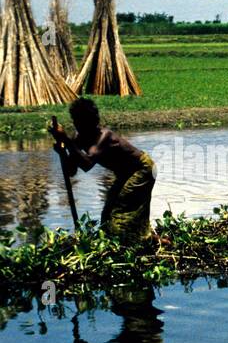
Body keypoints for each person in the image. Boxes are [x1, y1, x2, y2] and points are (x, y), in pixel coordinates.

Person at [47, 98, 157, 244]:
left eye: (83, 122)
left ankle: (132, 243)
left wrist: (66, 140)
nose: (79, 126)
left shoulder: (105, 136)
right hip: (125, 173)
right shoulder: (78, 138)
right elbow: (71, 171)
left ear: (93, 121)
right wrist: (63, 152)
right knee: (107, 213)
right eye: (76, 121)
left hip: (143, 169)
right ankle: (146, 240)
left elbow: (87, 164)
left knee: (121, 210)